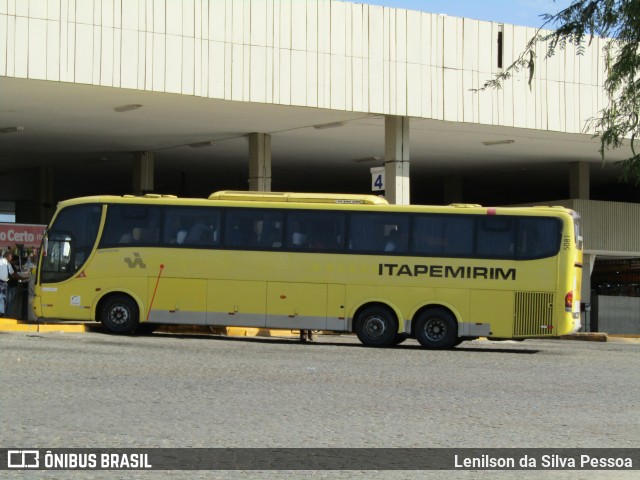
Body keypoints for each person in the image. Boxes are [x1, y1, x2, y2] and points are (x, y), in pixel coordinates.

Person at [0, 251, 26, 317]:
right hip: (5, 284)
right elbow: (14, 275)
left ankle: (3, 313)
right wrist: (23, 278)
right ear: (7, 256)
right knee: (6, 299)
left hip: (5, 284)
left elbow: (13, 274)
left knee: (4, 299)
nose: (11, 257)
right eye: (10, 256)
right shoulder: (2, 262)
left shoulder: (8, 264)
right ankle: (4, 313)